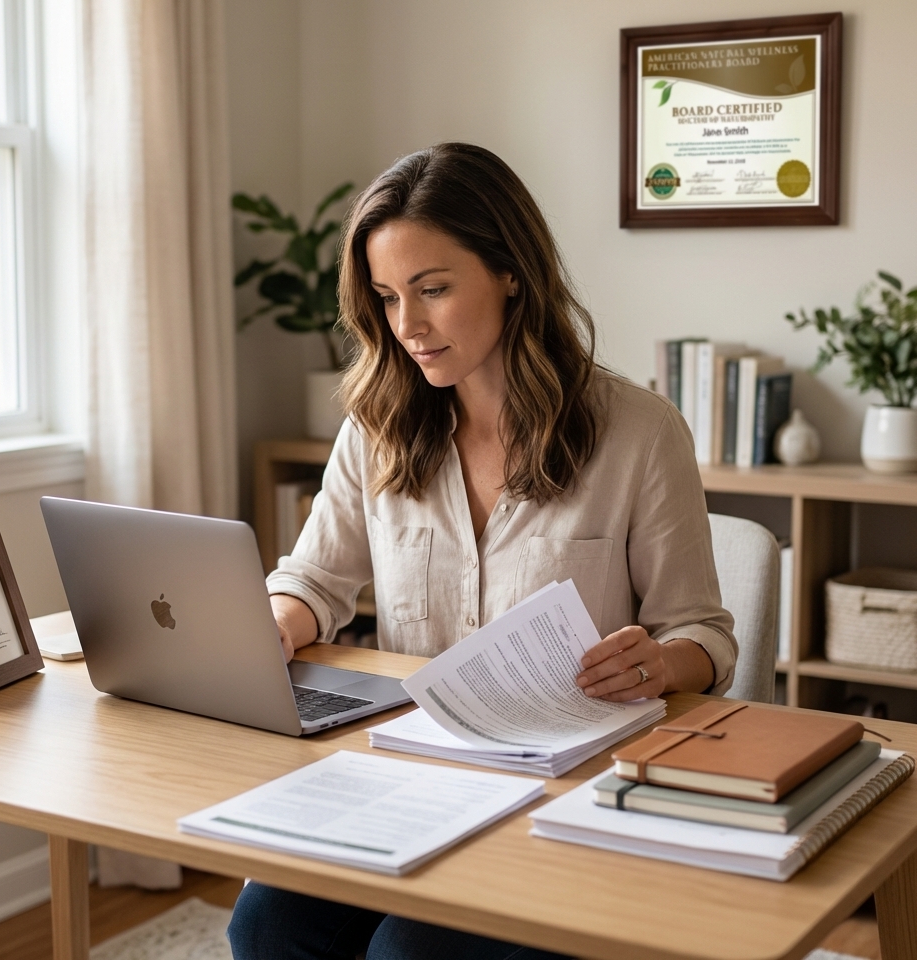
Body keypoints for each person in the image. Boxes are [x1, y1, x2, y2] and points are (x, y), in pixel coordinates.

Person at [228, 143, 737, 960]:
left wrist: (662, 664)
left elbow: (705, 635)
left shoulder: (639, 434)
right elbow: (315, 579)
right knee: (263, 926)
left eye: (433, 290)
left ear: (509, 272)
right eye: (389, 298)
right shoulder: (378, 426)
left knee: (409, 954)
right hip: (413, 774)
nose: (408, 328)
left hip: (567, 783)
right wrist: (280, 621)